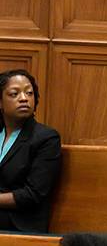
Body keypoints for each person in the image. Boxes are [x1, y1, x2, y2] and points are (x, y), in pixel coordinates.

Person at [0, 69, 61, 233]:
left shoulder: (46, 138)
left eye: (29, 93)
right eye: (14, 94)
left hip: (20, 223)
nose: (24, 98)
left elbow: (32, 194)